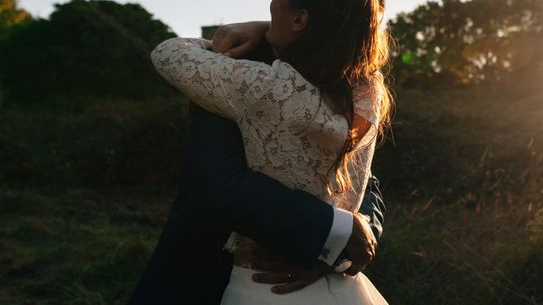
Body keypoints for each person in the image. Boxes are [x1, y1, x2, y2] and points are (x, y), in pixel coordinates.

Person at [150, 0, 392, 303]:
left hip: (261, 286)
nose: (272, 3)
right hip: (344, 290)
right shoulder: (367, 92)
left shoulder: (258, 82)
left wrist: (254, 34)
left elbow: (168, 54)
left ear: (299, 18)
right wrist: (339, 241)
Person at [128, 47, 385, 304]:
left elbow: (365, 179)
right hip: (207, 277)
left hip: (326, 284)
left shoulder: (345, 79)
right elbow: (216, 180)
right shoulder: (228, 66)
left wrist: (354, 238)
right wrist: (335, 233)